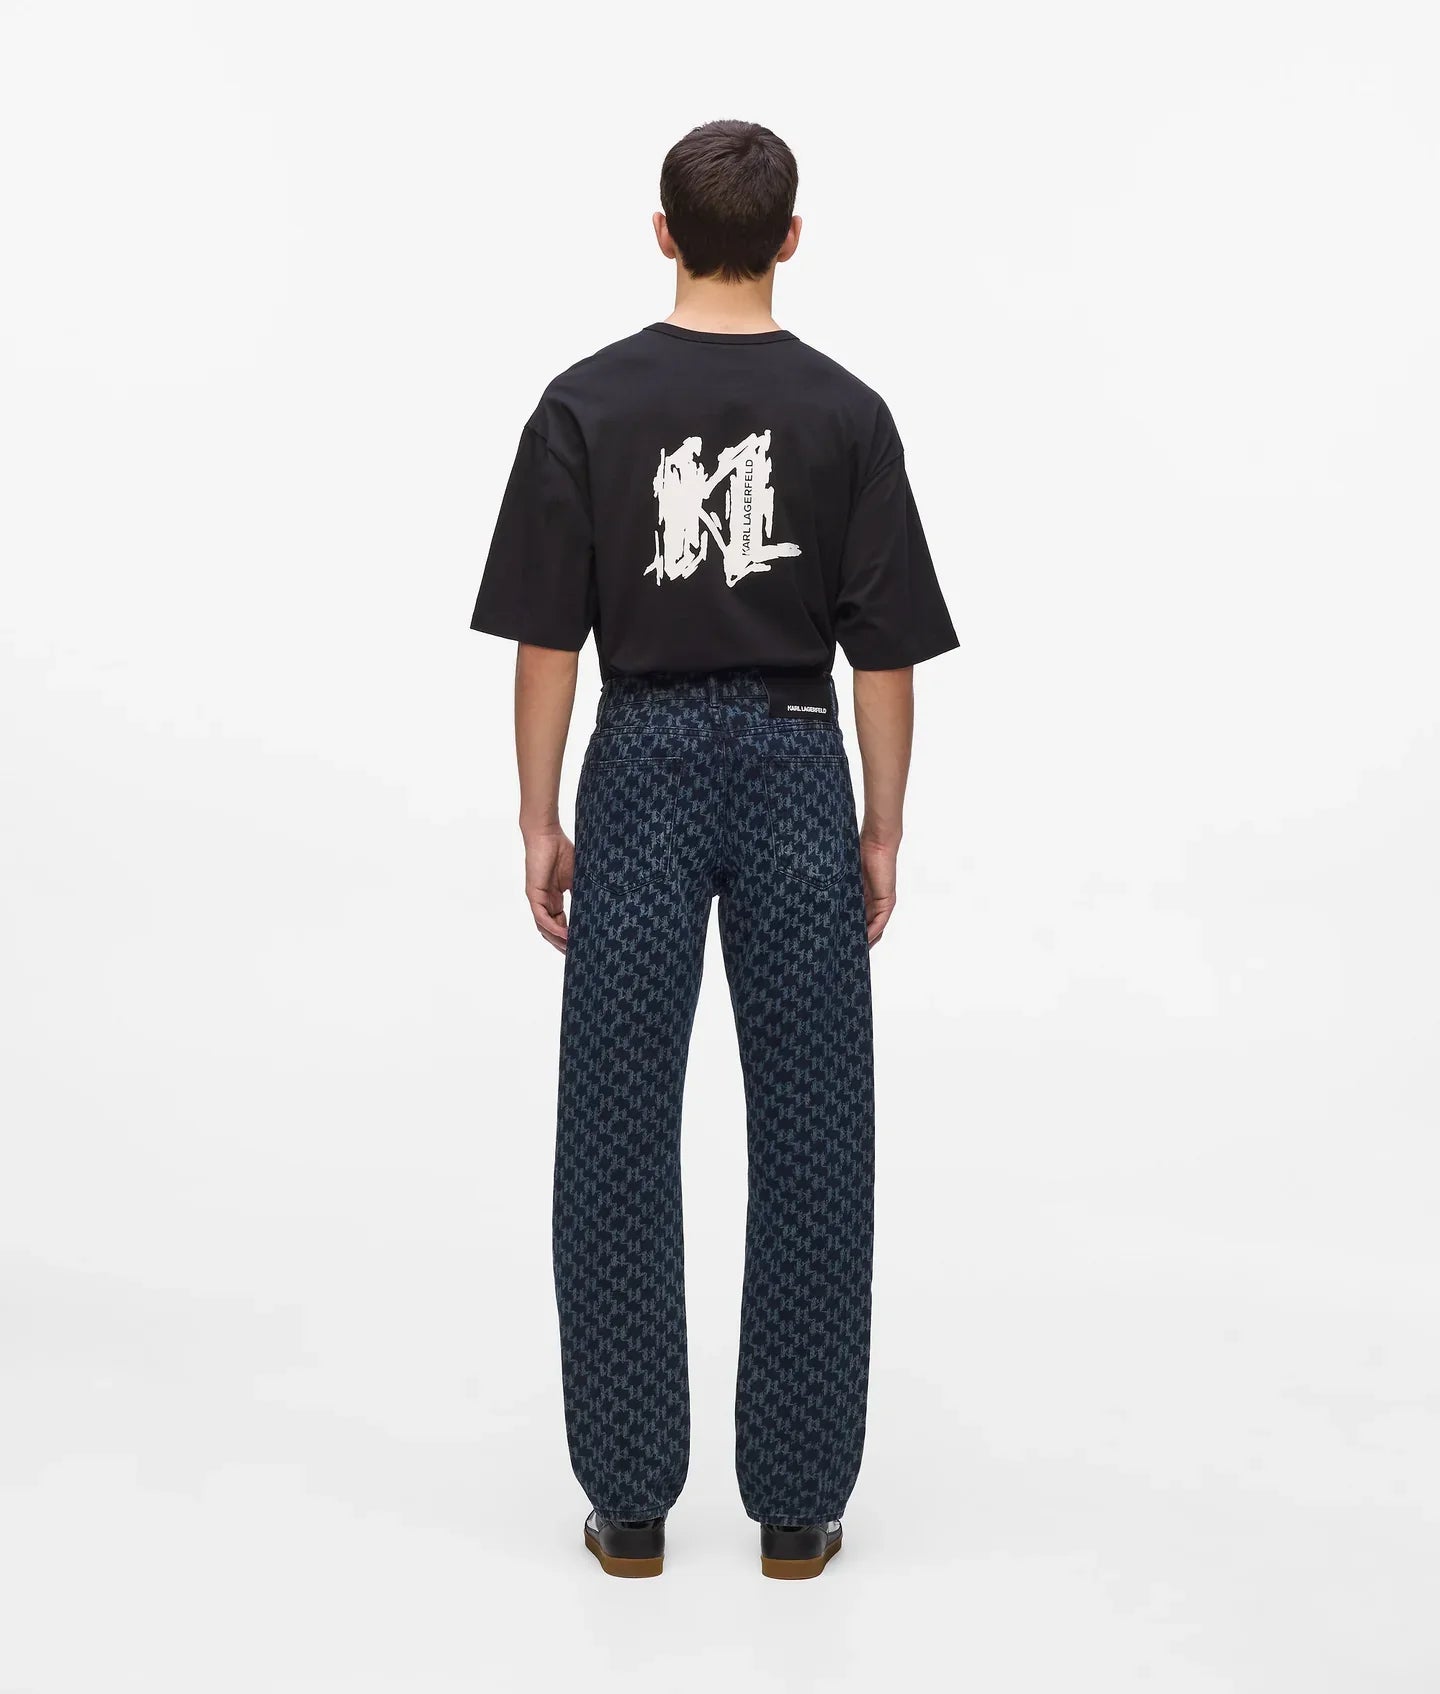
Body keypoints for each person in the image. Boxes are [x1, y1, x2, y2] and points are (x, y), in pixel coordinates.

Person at [470, 119, 959, 1580]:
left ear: (663, 232)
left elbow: (549, 639)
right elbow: (884, 657)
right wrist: (881, 824)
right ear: (792, 238)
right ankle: (798, 1508)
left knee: (613, 1127)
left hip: (639, 762)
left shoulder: (584, 404)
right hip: (799, 754)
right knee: (815, 1126)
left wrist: (539, 812)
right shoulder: (849, 414)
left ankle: (628, 1504)